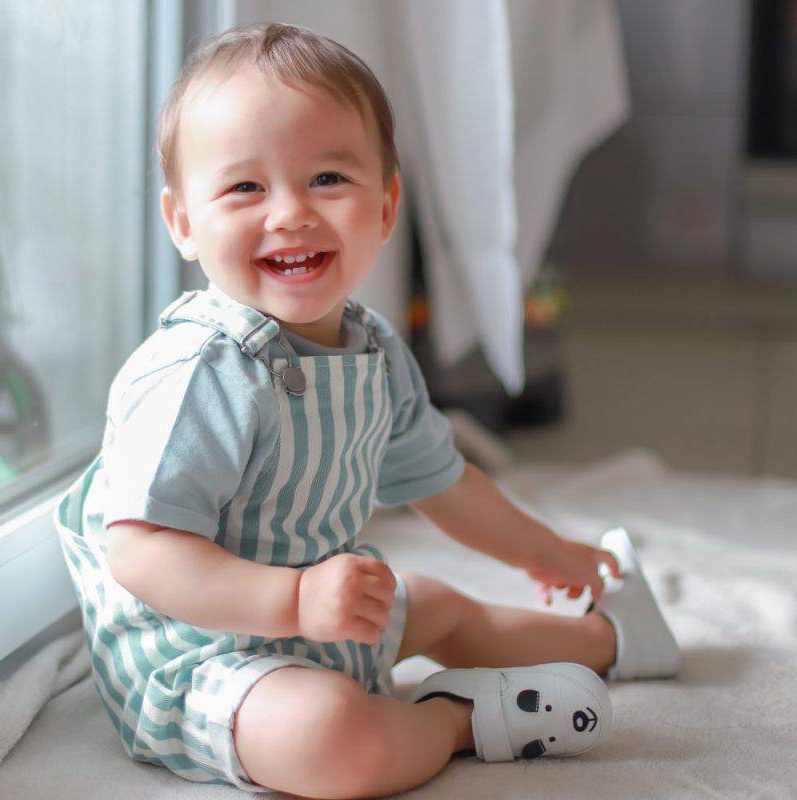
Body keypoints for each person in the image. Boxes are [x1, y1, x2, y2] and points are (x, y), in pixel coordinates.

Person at [54, 22, 679, 798]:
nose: (289, 213)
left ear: (385, 209)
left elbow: (443, 483)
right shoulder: (198, 374)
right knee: (330, 739)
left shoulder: (373, 350)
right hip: (205, 655)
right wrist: (293, 600)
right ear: (183, 222)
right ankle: (455, 717)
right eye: (245, 187)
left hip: (328, 619)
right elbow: (141, 555)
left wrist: (549, 554)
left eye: (326, 180)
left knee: (444, 607)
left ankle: (611, 638)